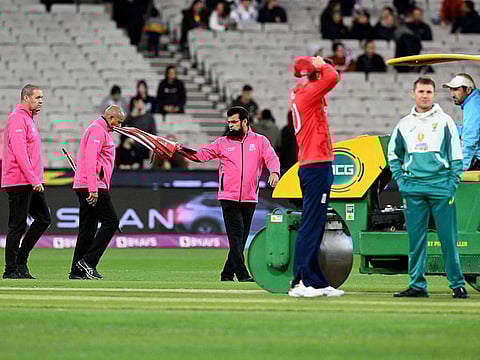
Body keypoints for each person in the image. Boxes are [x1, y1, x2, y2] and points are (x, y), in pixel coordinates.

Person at [177, 106, 280, 282]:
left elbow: (272, 158)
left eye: (234, 122)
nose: (230, 125)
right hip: (228, 197)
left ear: (245, 122)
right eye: (229, 122)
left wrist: (274, 172)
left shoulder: (260, 141)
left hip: (250, 197)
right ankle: (242, 274)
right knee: (237, 237)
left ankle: (226, 274)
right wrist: (181, 150)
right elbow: (200, 155)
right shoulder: (222, 143)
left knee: (240, 239)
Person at [388, 76, 468, 298]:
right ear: (413, 93)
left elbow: (456, 156)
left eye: (429, 92)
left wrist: (451, 184)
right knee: (416, 240)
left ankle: (457, 284)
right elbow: (393, 156)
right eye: (421, 91)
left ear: (434, 95)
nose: (424, 95)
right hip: (413, 190)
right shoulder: (404, 124)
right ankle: (417, 285)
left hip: (441, 188)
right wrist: (402, 182)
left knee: (448, 239)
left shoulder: (445, 121)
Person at [288, 56, 344, 297]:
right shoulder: (307, 93)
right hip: (315, 165)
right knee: (311, 224)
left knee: (316, 224)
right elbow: (333, 76)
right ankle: (299, 282)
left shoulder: (306, 93)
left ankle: (316, 281)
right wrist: (321, 64)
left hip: (318, 163)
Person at [69, 105, 125, 280]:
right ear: (110, 118)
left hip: (86, 184)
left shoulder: (98, 129)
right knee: (111, 222)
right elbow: (90, 159)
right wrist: (93, 188)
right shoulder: (97, 130)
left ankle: (77, 271)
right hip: (93, 185)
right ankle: (88, 262)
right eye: (119, 122)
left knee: (88, 229)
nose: (120, 126)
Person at [1, 84, 51, 279]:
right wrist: (34, 179)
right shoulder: (17, 119)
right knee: (17, 225)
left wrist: (36, 178)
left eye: (41, 98)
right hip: (19, 180)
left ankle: (20, 261)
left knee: (43, 219)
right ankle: (10, 269)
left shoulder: (28, 120)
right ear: (26, 98)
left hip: (28, 180)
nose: (41, 101)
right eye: (38, 97)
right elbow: (21, 154)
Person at [442, 73, 480, 170]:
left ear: (468, 90)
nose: (452, 94)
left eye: (456, 89)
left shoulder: (473, 106)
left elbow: (470, 139)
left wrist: (462, 167)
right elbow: (474, 131)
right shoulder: (475, 100)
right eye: (451, 90)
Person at [120, 97, 157, 169]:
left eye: (140, 103)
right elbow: (122, 127)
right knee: (124, 145)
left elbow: (153, 132)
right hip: (133, 143)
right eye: (137, 103)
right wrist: (131, 116)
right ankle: (125, 167)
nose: (139, 105)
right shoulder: (132, 116)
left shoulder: (149, 117)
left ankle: (137, 164)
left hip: (144, 144)